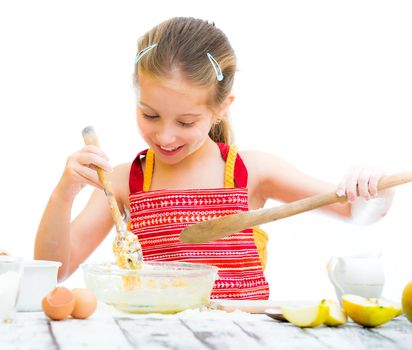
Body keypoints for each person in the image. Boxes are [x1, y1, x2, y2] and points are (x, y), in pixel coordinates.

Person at [34, 17, 394, 300]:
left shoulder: (252, 171)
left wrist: (371, 188)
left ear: (221, 108)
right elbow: (56, 270)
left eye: (186, 121)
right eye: (150, 115)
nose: (166, 136)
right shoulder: (122, 182)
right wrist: (63, 192)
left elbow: (355, 212)